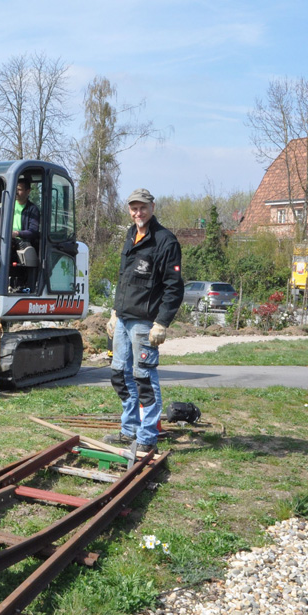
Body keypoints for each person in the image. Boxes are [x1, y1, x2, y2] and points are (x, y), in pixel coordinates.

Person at [104, 188, 183, 455]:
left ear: (153, 207)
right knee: (119, 375)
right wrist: (114, 312)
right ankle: (129, 430)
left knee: (144, 377)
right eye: (134, 208)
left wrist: (162, 322)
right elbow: (123, 277)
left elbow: (174, 288)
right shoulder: (130, 234)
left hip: (144, 323)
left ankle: (147, 436)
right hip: (124, 319)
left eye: (143, 208)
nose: (138, 213)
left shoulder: (165, 241)